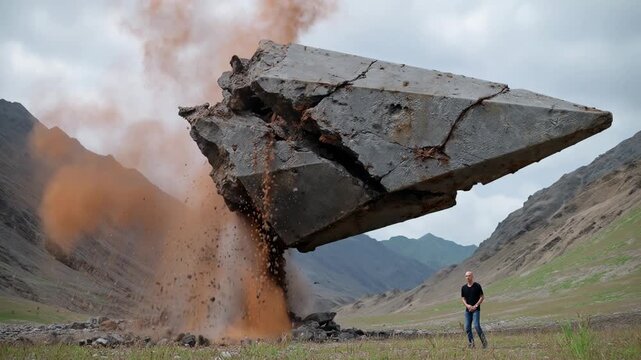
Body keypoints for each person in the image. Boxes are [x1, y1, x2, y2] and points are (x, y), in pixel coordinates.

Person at [461, 271, 488, 348]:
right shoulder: (463, 288)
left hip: (476, 309)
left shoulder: (477, 286)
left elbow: (482, 297)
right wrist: (467, 305)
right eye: (466, 276)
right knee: (467, 328)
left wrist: (476, 305)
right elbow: (463, 298)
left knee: (476, 326)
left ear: (472, 276)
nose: (468, 277)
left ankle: (484, 343)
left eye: (469, 276)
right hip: (468, 310)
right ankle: (471, 344)